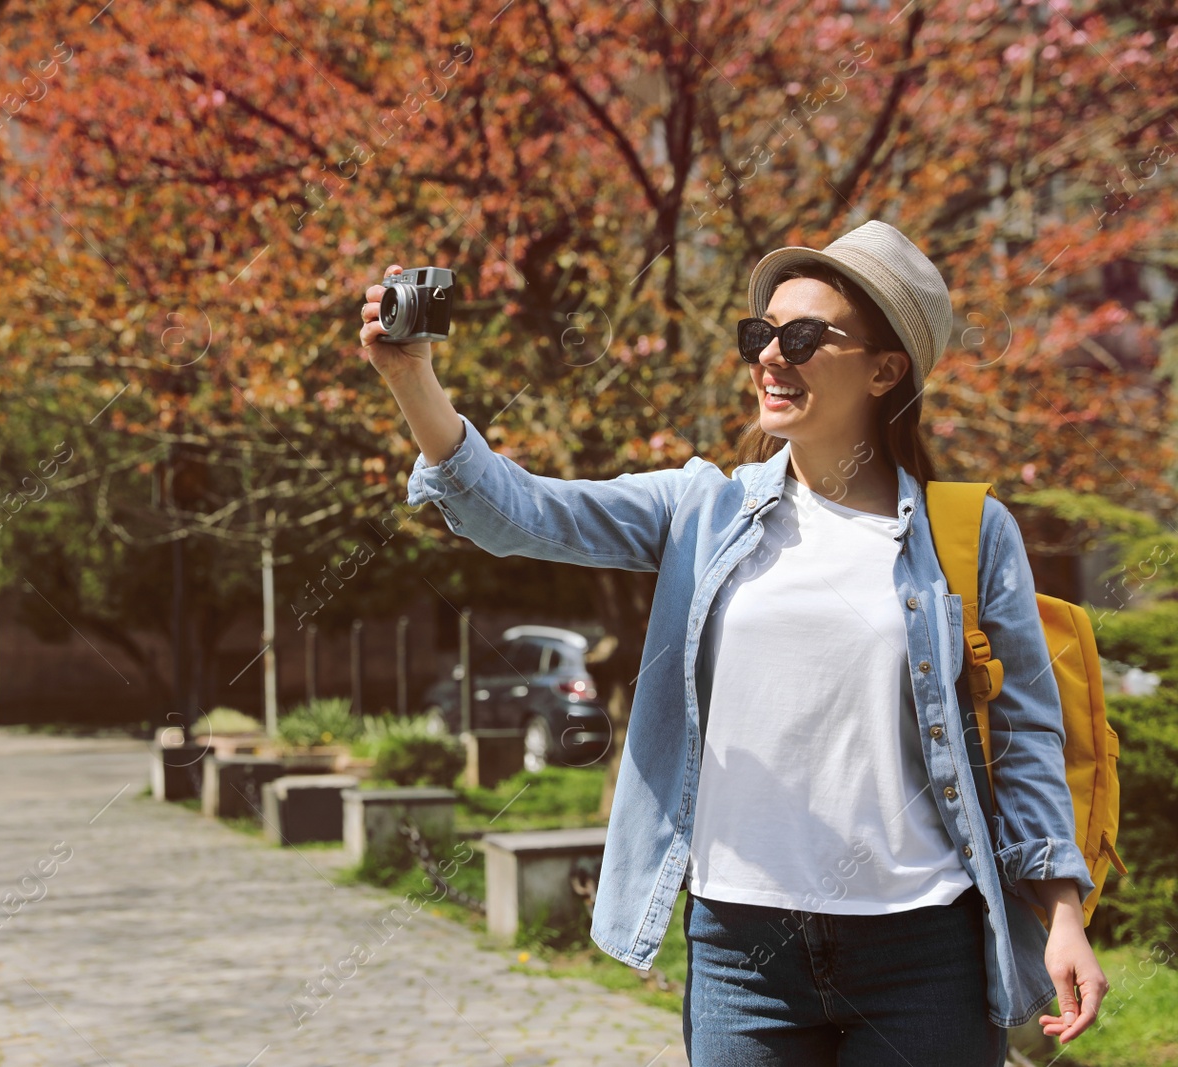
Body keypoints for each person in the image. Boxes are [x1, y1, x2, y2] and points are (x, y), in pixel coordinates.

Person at [357, 219, 1108, 1066]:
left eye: (801, 336)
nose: (770, 357)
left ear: (885, 368)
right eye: (761, 334)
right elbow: (517, 512)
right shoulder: (701, 510)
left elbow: (1026, 735)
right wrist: (414, 381)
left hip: (921, 948)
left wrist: (1065, 916)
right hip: (742, 953)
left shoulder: (967, 534)